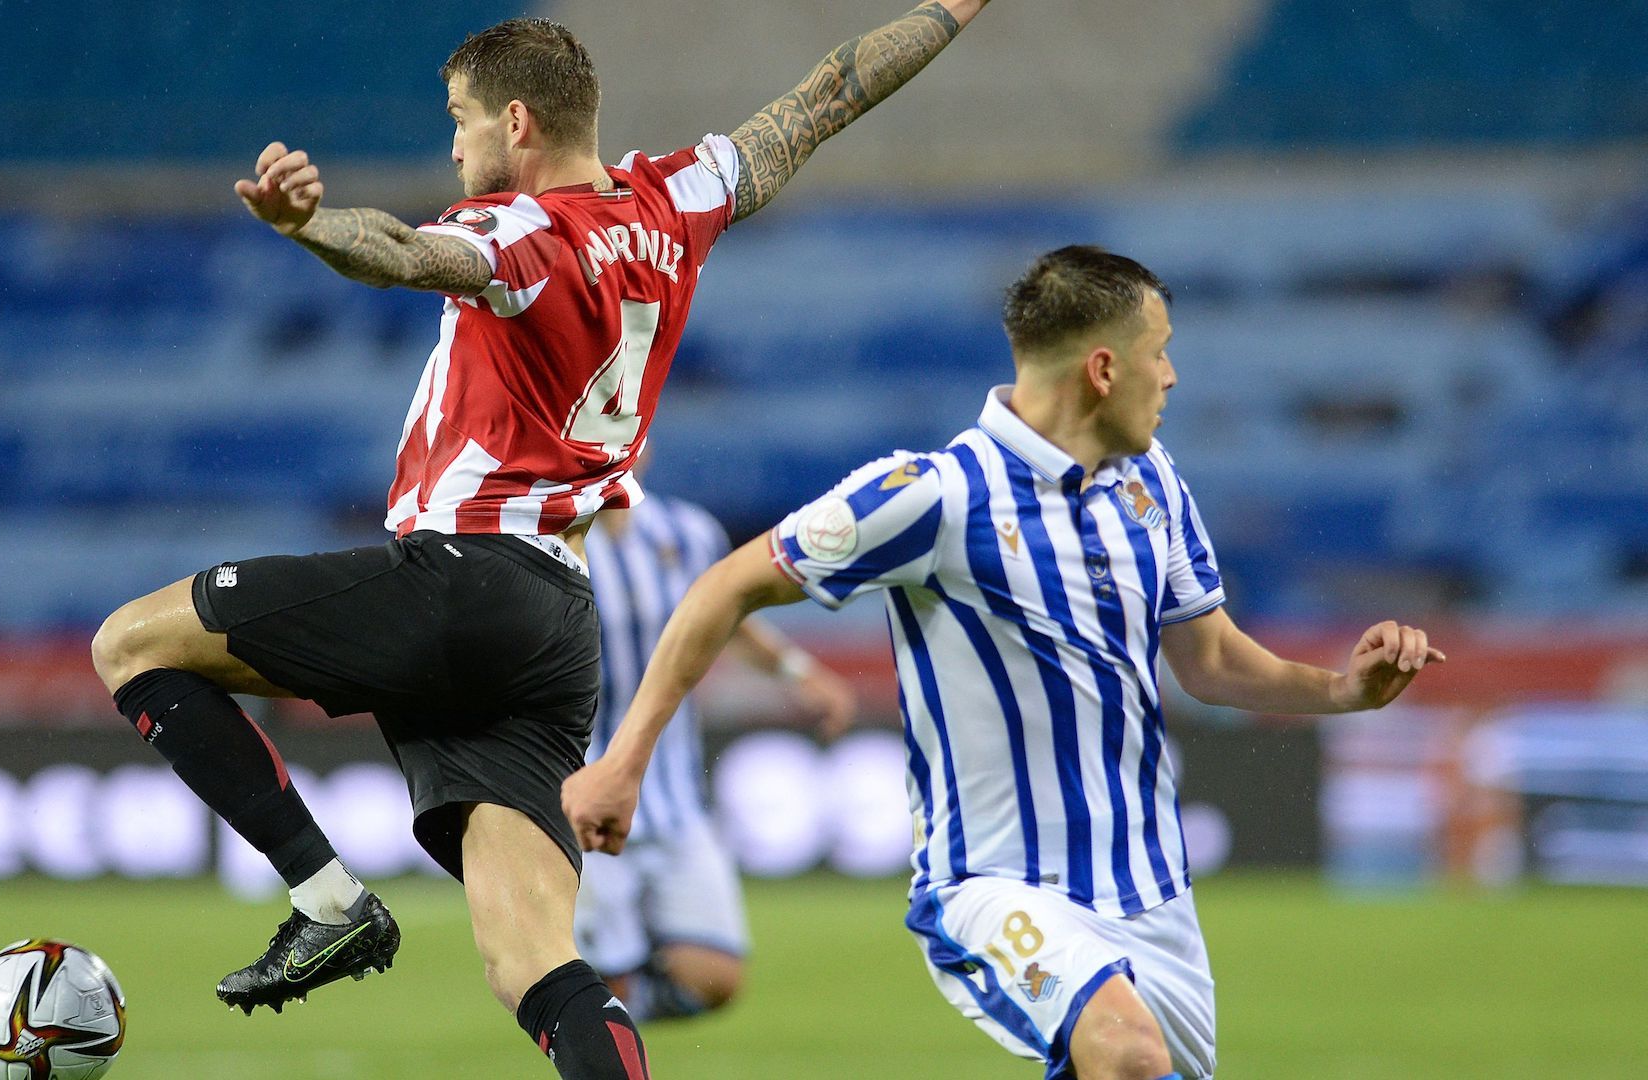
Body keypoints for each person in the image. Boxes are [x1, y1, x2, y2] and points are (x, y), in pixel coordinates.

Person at [87, 3, 991, 1077]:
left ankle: (327, 899)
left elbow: (403, 252)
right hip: (558, 623)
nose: (454, 144)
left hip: (464, 573)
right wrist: (950, 11)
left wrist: (309, 227)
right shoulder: (680, 200)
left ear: (515, 122)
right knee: (537, 964)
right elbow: (830, 94)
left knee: (130, 644)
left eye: (460, 118)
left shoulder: (523, 232)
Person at [563, 245, 1444, 1080]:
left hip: (1151, 895)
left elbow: (1211, 661)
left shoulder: (1152, 484)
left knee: (1131, 1062)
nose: (1172, 375)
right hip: (997, 887)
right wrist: (624, 761)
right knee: (1128, 1053)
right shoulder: (934, 495)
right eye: (1161, 351)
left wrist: (1345, 690)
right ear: (1104, 369)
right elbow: (723, 587)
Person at [578, 492, 857, 1022]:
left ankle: (590, 1020)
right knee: (604, 977)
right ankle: (591, 1028)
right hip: (577, 795)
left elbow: (727, 616)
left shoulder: (687, 531)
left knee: (714, 978)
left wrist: (797, 671)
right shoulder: (543, 534)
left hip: (674, 798)